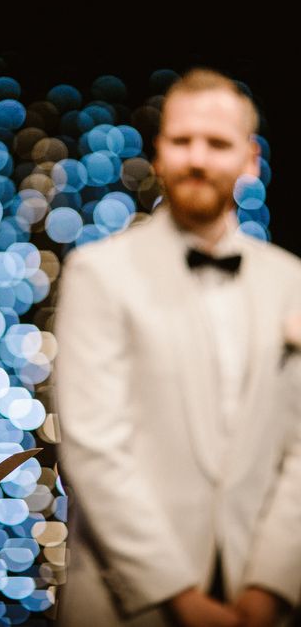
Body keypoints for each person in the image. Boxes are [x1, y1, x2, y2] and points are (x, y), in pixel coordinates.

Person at [53, 68, 301, 627]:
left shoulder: (292, 281)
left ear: (250, 159)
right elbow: (94, 447)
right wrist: (182, 600)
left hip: (265, 602)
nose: (197, 158)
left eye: (217, 144)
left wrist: (269, 589)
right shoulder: (100, 273)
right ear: (159, 152)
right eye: (182, 140)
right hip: (130, 604)